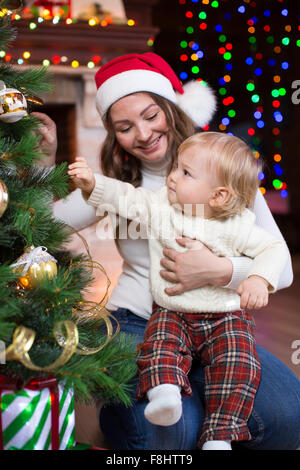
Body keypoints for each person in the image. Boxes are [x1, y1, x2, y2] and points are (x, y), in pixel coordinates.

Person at [36, 52, 300, 450]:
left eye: (150, 115)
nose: (142, 134)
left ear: (172, 108)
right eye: (124, 127)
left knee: (287, 417)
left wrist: (219, 270)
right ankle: (128, 414)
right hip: (140, 321)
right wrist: (43, 161)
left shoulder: (223, 174)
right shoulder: (119, 188)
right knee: (169, 434)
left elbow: (280, 269)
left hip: (218, 324)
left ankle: (197, 387)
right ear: (114, 134)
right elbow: (42, 224)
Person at [67, 131, 287, 450]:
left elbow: (274, 249)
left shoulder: (239, 224)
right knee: (158, 346)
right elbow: (128, 197)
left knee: (240, 363)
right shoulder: (162, 207)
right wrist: (93, 184)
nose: (171, 178)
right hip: (173, 312)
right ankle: (164, 393)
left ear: (219, 196)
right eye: (175, 168)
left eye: (185, 173)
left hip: (225, 318)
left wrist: (257, 279)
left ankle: (220, 435)